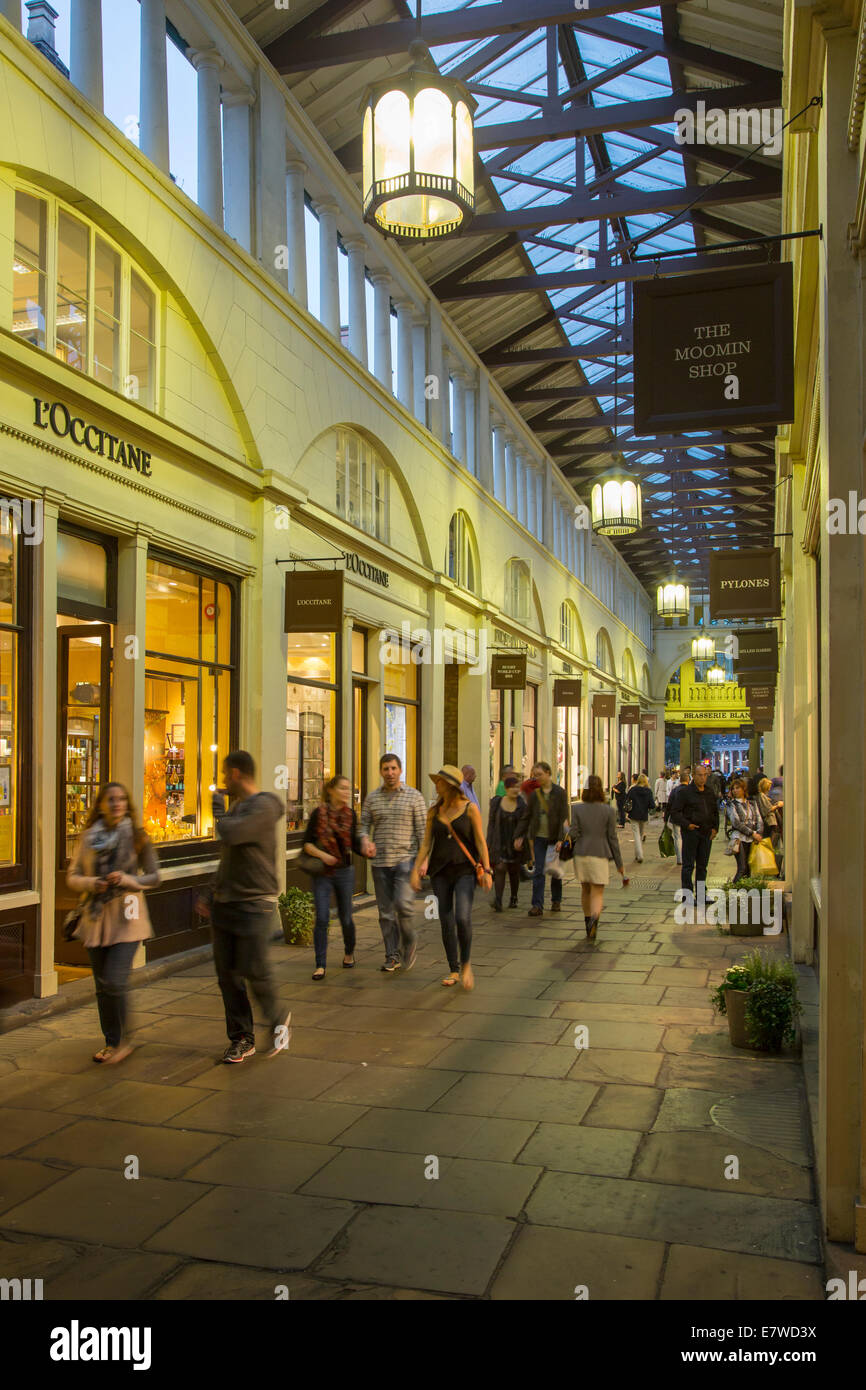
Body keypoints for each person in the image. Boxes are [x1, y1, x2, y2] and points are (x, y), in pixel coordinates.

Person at [66, 782, 161, 1065]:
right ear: (101, 805)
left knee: (115, 980)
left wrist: (128, 879)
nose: (117, 803)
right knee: (102, 985)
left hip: (128, 917)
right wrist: (91, 883)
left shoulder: (136, 835)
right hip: (96, 919)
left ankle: (125, 1039)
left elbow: (155, 877)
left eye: (122, 799)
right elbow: (73, 875)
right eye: (111, 799)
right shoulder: (89, 837)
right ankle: (112, 1041)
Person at [207, 751, 290, 1064]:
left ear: (238, 773)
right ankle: (242, 1038)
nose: (224, 781)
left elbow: (232, 834)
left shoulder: (265, 806)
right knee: (227, 976)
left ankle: (279, 1020)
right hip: (225, 903)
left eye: (226, 774)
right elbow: (229, 856)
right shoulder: (239, 807)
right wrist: (210, 892)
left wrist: (218, 812)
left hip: (255, 903)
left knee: (254, 970)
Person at [411, 765, 492, 990]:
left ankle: (466, 964)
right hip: (440, 872)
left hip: (465, 871)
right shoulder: (433, 812)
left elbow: (480, 841)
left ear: (450, 785)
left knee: (463, 917)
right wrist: (416, 870)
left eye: (439, 781)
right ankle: (454, 968)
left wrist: (487, 870)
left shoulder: (470, 809)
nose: (436, 784)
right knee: (446, 920)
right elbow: (426, 843)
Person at [360, 753, 426, 973]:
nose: (390, 773)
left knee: (403, 905)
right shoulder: (372, 798)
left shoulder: (414, 797)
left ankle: (409, 940)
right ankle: (392, 955)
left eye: (393, 768)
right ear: (380, 771)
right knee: (385, 912)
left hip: (405, 861)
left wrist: (423, 862)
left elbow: (423, 833)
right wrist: (366, 840)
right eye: (386, 769)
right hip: (379, 863)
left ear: (400, 770)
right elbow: (363, 826)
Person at [303, 775, 361, 980]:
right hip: (323, 873)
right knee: (322, 917)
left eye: (348, 789)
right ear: (332, 791)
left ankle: (349, 952)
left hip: (345, 871)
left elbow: (354, 843)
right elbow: (307, 844)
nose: (346, 792)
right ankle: (320, 964)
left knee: (346, 917)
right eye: (343, 788)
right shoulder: (319, 813)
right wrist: (323, 855)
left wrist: (368, 849)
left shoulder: (350, 815)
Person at [563, 774, 628, 941]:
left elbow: (574, 832)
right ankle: (594, 920)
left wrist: (565, 833)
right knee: (597, 892)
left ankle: (587, 923)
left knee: (585, 889)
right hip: (600, 854)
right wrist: (620, 864)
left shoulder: (577, 809)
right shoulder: (609, 811)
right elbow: (612, 839)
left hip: (581, 853)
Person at [515, 761, 570, 917]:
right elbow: (527, 817)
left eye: (539, 774)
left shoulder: (560, 793)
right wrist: (519, 835)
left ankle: (556, 900)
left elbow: (563, 816)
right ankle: (537, 905)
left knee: (554, 871)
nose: (536, 778)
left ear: (548, 773)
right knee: (539, 870)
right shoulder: (535, 795)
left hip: (554, 838)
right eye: (535, 775)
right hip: (539, 837)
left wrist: (561, 839)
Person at [670, 762, 719, 895]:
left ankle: (702, 893)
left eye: (705, 775)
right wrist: (687, 824)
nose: (702, 778)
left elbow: (715, 811)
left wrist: (715, 828)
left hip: (706, 832)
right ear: (693, 776)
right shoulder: (685, 792)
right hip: (691, 832)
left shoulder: (709, 792)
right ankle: (688, 894)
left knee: (702, 866)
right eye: (699, 775)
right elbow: (675, 812)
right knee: (688, 865)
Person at [486, 774, 526, 910]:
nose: (516, 790)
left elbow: (526, 824)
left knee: (514, 871)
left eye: (518, 787)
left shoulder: (522, 804)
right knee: (500, 868)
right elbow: (491, 824)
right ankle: (498, 900)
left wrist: (521, 838)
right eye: (513, 787)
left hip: (515, 843)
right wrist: (488, 843)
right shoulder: (497, 803)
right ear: (507, 788)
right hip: (500, 841)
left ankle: (514, 897)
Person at [727, 777, 764, 882]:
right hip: (739, 838)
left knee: (749, 868)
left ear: (744, 789)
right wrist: (752, 833)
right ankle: (734, 891)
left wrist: (759, 833)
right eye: (733, 788)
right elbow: (736, 822)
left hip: (753, 839)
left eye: (737, 788)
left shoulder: (752, 803)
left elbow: (759, 819)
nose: (735, 790)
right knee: (742, 868)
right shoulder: (732, 804)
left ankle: (745, 892)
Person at [625, 773, 654, 863]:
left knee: (636, 835)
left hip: (634, 814)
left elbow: (627, 800)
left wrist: (627, 811)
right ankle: (637, 855)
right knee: (640, 835)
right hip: (643, 815)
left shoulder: (633, 790)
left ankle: (639, 855)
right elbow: (652, 805)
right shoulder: (648, 791)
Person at [665, 770, 690, 865]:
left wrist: (666, 817)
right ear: (688, 780)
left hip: (676, 817)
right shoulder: (691, 791)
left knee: (677, 837)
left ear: (680, 780)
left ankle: (680, 858)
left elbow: (669, 805)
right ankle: (687, 856)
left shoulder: (675, 791)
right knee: (687, 837)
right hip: (688, 818)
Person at [756, 777, 782, 860]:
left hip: (769, 822)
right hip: (769, 822)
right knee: (771, 841)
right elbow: (767, 809)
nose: (770, 788)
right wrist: (778, 805)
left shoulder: (763, 796)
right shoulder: (762, 796)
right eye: (769, 786)